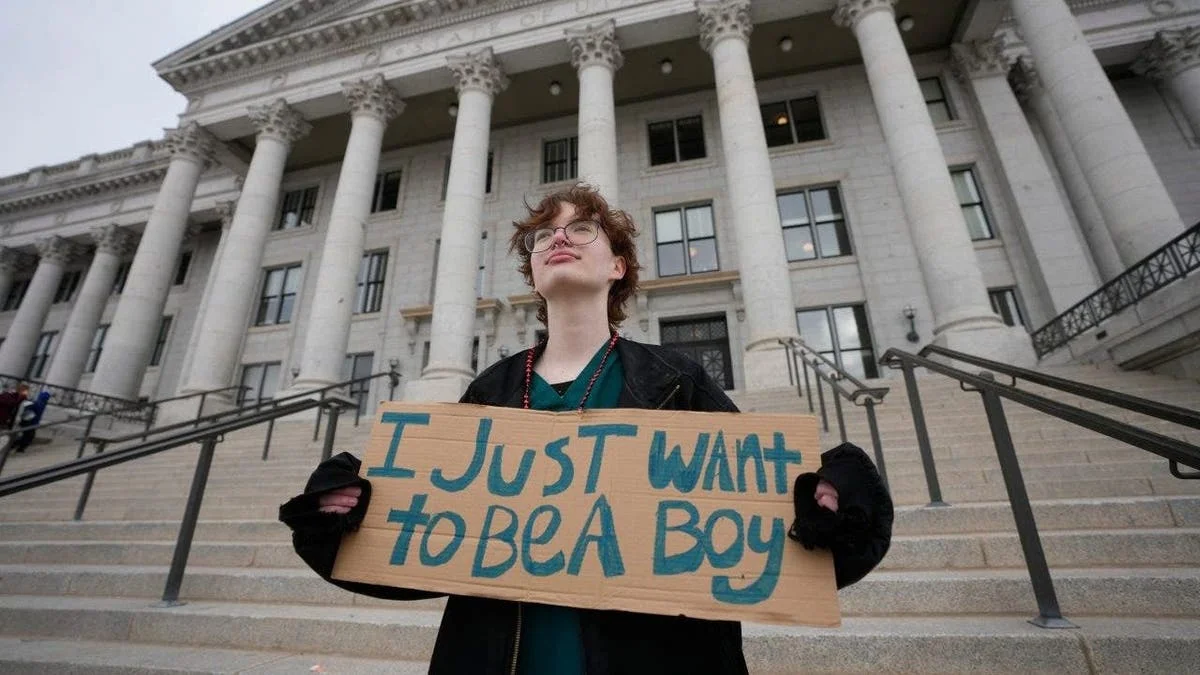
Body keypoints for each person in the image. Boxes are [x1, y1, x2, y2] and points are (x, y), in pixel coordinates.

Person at [280, 185, 893, 674]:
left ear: (617, 264)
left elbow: (760, 530)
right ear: (533, 272)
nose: (557, 239)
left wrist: (829, 502)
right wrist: (350, 517)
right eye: (544, 235)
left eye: (580, 229)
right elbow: (435, 550)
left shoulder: (676, 379)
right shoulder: (489, 390)